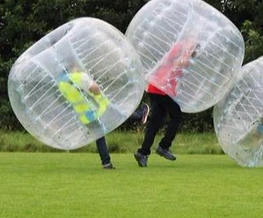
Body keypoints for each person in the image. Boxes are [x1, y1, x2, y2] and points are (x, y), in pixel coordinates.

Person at [58, 68, 150, 169]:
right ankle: (140, 116)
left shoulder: (61, 83)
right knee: (120, 115)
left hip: (84, 115)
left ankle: (106, 163)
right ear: (73, 66)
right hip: (98, 107)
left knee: (100, 136)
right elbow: (96, 90)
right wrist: (93, 83)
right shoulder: (80, 76)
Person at [133, 35, 199, 167]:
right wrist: (189, 52)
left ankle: (143, 152)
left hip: (156, 87)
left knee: (155, 122)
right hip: (163, 87)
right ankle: (164, 146)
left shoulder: (178, 46)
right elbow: (178, 63)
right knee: (176, 116)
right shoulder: (181, 47)